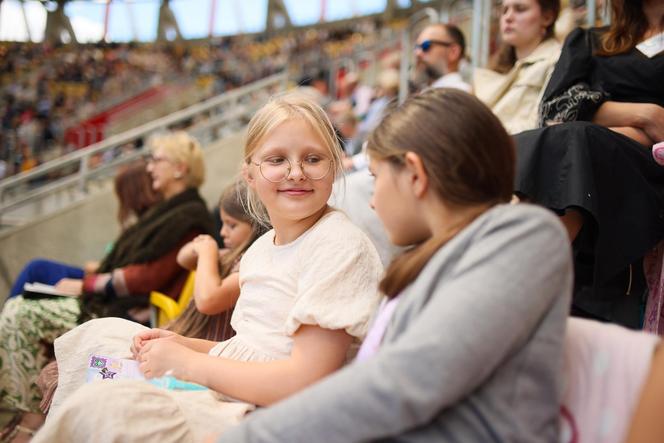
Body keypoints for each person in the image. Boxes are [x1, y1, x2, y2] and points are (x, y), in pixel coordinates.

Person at [210, 88, 573, 442]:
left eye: (376, 179)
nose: (371, 202)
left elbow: (404, 382)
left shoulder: (524, 235)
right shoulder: (437, 257)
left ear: (414, 174)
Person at [32, 91, 384, 443]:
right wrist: (182, 343)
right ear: (250, 174)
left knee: (108, 407)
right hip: (240, 390)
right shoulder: (261, 249)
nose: (296, 172)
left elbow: (303, 381)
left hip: (272, 415)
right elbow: (247, 349)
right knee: (100, 336)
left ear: (335, 166)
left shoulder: (339, 246)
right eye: (277, 159)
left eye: (313, 158)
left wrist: (187, 363)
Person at [0, 131, 215, 440]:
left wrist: (87, 284)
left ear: (180, 169)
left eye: (157, 160)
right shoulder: (171, 210)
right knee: (20, 307)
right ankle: (30, 412)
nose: (150, 167)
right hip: (120, 303)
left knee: (19, 313)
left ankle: (31, 419)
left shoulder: (188, 216)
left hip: (135, 314)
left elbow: (149, 277)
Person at [514, 0, 664, 328]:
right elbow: (554, 109)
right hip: (587, 150)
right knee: (532, 143)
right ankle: (513, 269)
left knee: (574, 142)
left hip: (650, 164)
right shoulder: (590, 39)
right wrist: (646, 114)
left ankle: (519, 280)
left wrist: (614, 126)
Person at [5, 160, 161, 299]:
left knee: (36, 272)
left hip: (108, 291)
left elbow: (131, 276)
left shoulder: (153, 226)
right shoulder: (144, 224)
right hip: (105, 279)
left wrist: (87, 282)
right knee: (37, 269)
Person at [169, 178, 267, 341]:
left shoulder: (252, 265)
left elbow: (209, 300)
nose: (222, 232)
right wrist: (201, 248)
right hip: (190, 337)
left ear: (257, 225)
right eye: (222, 223)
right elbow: (182, 258)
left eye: (231, 225)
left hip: (211, 348)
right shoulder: (229, 255)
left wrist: (207, 252)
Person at [473, 0, 561, 134]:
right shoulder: (494, 68)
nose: (508, 17)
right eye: (504, 11)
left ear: (547, 17)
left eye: (520, 9)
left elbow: (541, 125)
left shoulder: (558, 60)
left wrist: (477, 131)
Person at [412, 23, 472, 93]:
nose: (417, 53)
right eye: (416, 47)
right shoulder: (432, 91)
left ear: (453, 52)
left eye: (426, 45)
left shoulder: (458, 94)